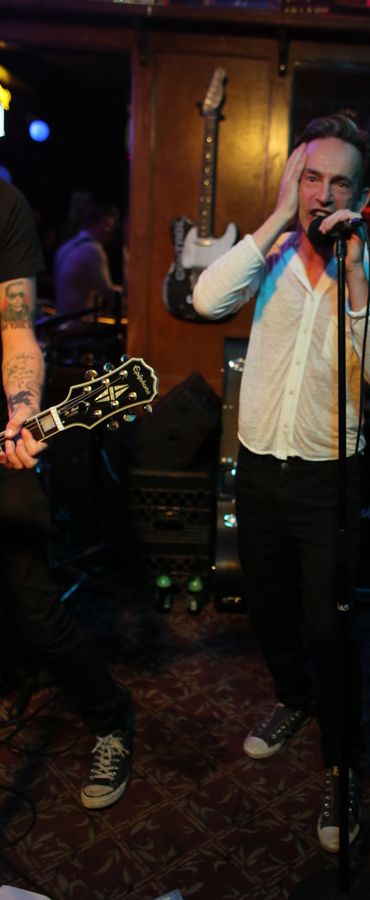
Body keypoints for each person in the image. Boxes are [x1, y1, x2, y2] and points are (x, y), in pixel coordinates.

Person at [193, 112, 370, 851]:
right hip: (258, 467)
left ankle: (341, 767)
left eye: (338, 182)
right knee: (266, 605)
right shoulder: (273, 253)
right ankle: (292, 698)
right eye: (311, 177)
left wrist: (354, 276)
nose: (322, 193)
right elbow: (206, 301)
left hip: (328, 480)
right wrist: (279, 215)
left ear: (362, 196)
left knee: (330, 625)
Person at [0, 177, 131, 809]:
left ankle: (110, 720)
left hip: (2, 441)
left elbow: (16, 331)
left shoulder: (4, 205)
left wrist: (24, 409)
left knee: (37, 611)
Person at [53, 204, 122, 329]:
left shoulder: (66, 246)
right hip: (79, 325)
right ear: (94, 224)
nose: (110, 230)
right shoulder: (92, 250)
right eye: (107, 225)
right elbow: (106, 291)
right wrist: (130, 294)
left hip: (62, 321)